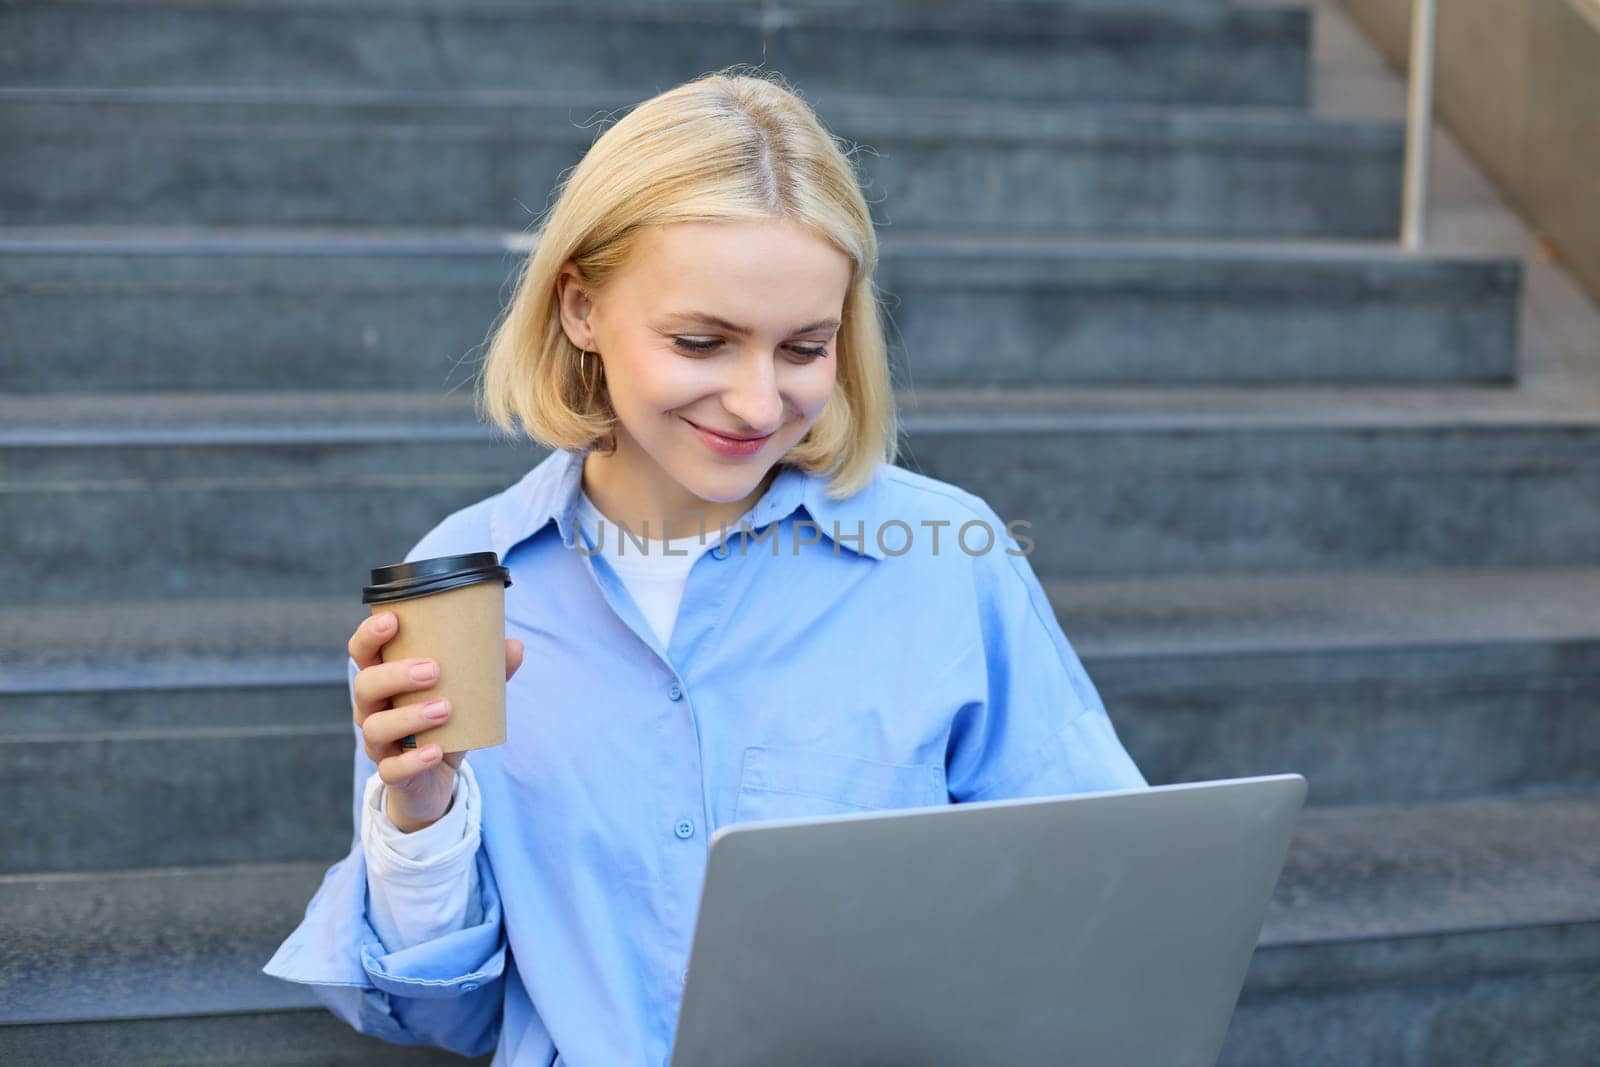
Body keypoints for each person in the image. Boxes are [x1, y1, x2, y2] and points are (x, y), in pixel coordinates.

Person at [262, 68, 1148, 1066]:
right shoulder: (461, 584)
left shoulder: (950, 560)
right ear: (580, 310)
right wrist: (418, 818)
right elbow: (445, 1017)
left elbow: (1098, 916)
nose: (758, 403)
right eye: (701, 341)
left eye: (804, 347)